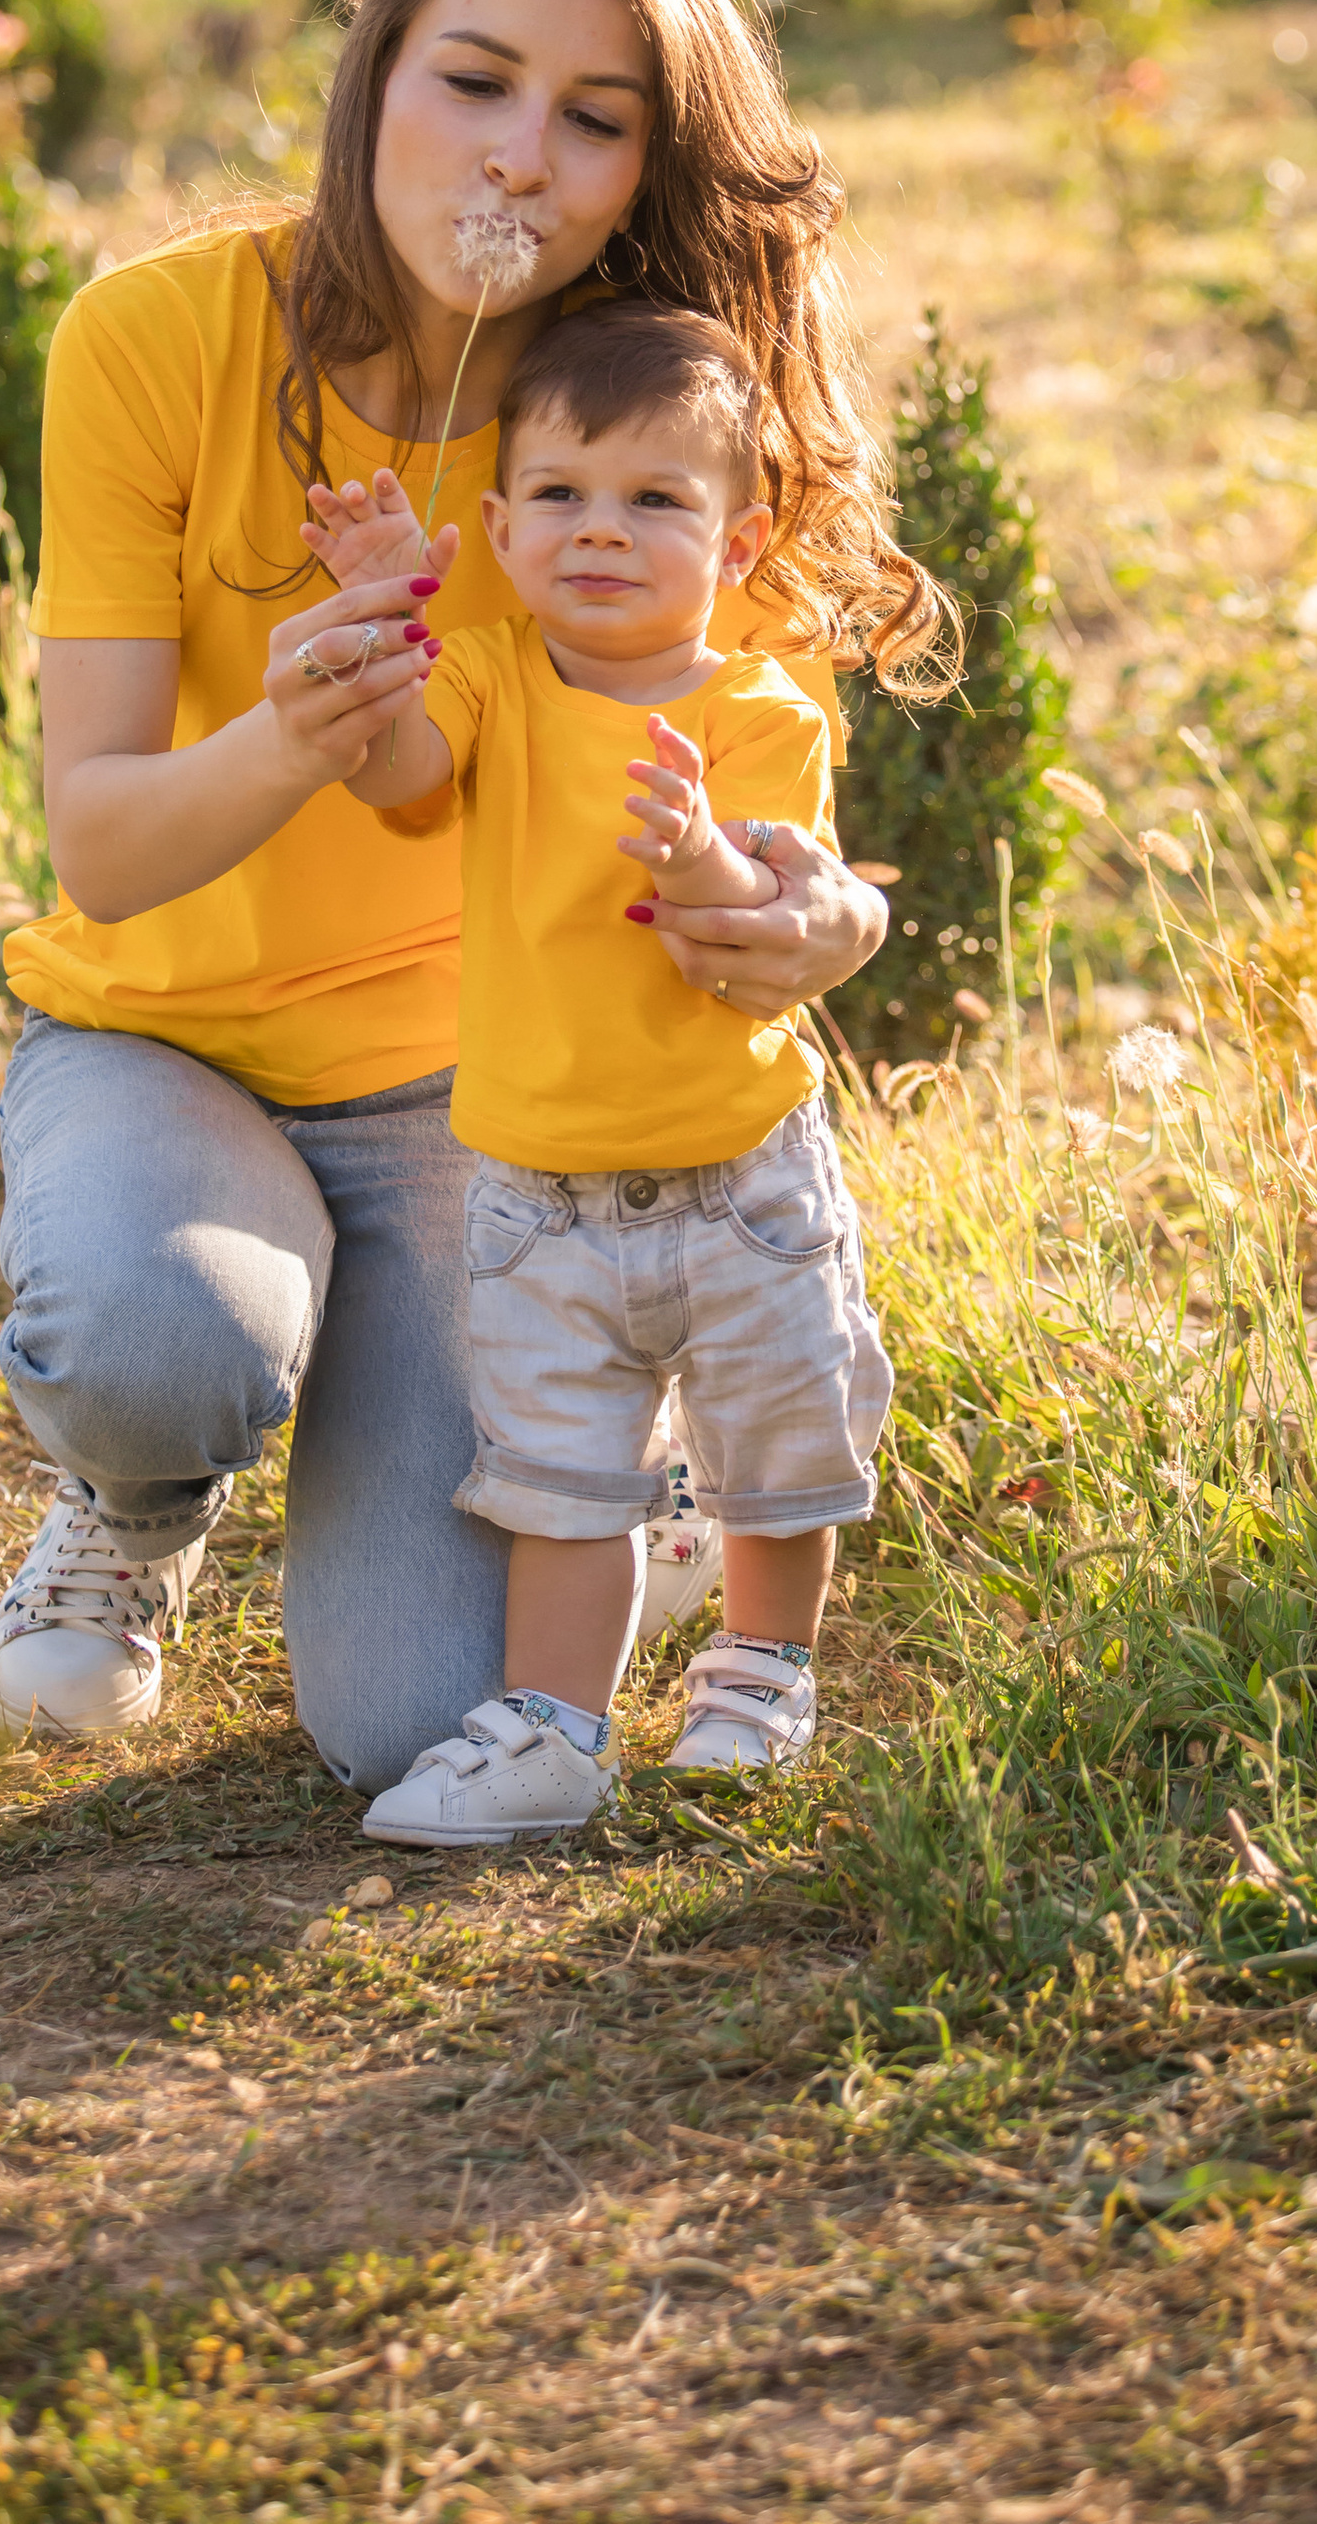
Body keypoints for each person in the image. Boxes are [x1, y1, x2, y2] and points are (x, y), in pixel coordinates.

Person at [0, 0, 937, 1792]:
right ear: (374, 73)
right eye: (473, 81)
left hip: (475, 1121)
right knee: (160, 1350)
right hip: (158, 1046)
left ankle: (548, 1428)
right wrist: (293, 728)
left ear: (642, 179)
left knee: (419, 1717)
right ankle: (135, 1495)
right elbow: (99, 838)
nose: (516, 155)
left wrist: (820, 925)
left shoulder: (667, 426)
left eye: (592, 121)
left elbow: (778, 827)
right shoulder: (154, 343)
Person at [319, 301, 921, 1845]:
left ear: (737, 542)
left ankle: (760, 1670)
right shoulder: (490, 678)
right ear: (504, 532)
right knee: (558, 1479)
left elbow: (767, 905)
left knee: (779, 1449)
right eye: (567, 497)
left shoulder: (754, 712)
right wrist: (384, 624)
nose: (606, 531)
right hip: (538, 1195)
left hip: (741, 1179)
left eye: (657, 499)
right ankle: (553, 1728)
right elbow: (396, 778)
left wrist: (702, 851)